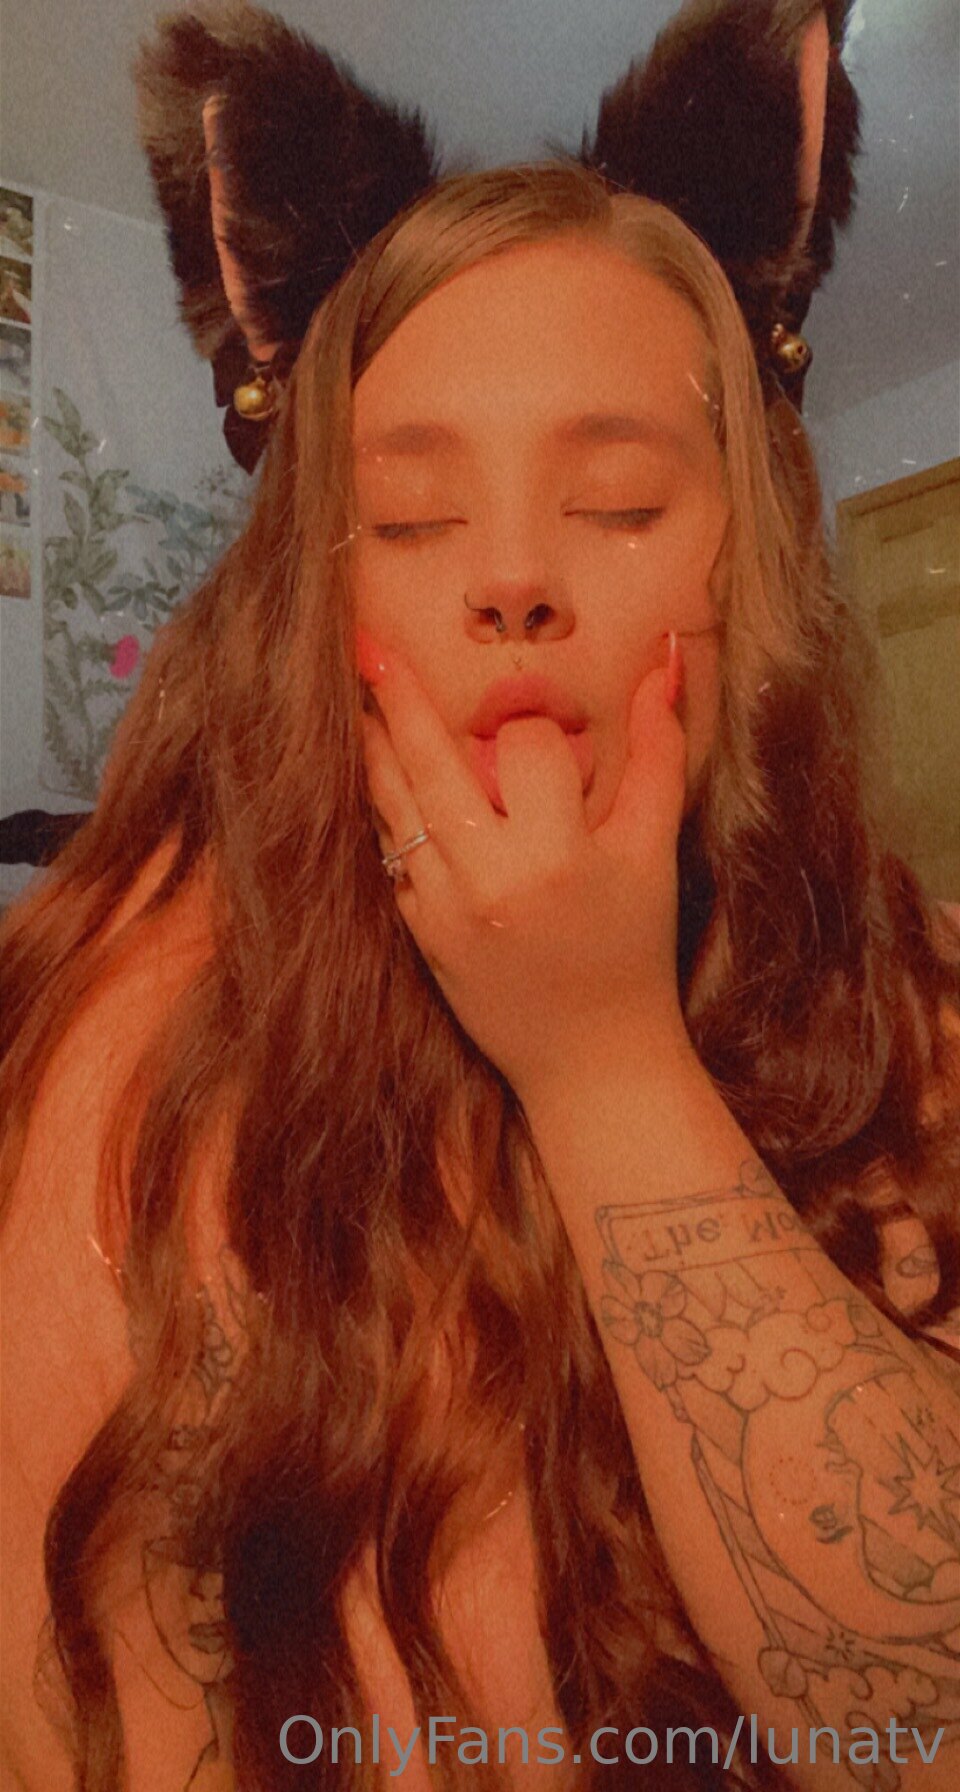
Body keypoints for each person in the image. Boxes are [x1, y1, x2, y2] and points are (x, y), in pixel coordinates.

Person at [2, 5, 959, 1790]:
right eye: (413, 518)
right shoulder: (130, 1036)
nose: (512, 577)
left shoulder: (916, 993)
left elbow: (925, 1722)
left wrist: (603, 1060)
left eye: (618, 503)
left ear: (751, 561)